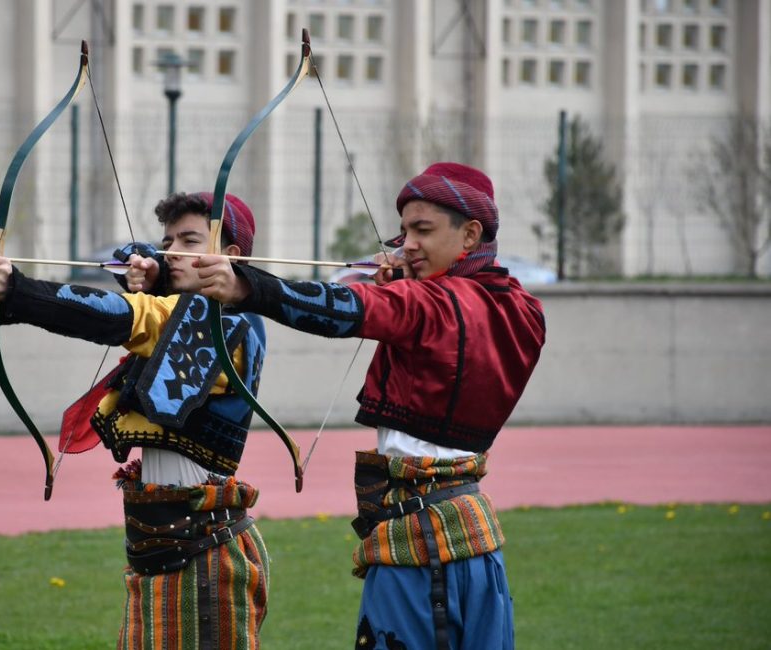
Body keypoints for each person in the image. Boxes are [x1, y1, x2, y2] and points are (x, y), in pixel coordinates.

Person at [193, 162, 546, 650]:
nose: (408, 245)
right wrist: (400, 285)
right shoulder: (522, 307)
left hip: (423, 543)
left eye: (423, 230)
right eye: (403, 233)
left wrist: (248, 287)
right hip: (473, 536)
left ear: (470, 234)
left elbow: (350, 310)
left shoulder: (429, 304)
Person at [0, 192, 272, 650]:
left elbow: (129, 319)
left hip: (204, 553)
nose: (172, 251)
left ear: (229, 257)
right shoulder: (201, 313)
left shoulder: (225, 323)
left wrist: (20, 290)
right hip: (169, 548)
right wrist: (156, 279)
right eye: (168, 240)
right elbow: (163, 318)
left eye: (190, 240)